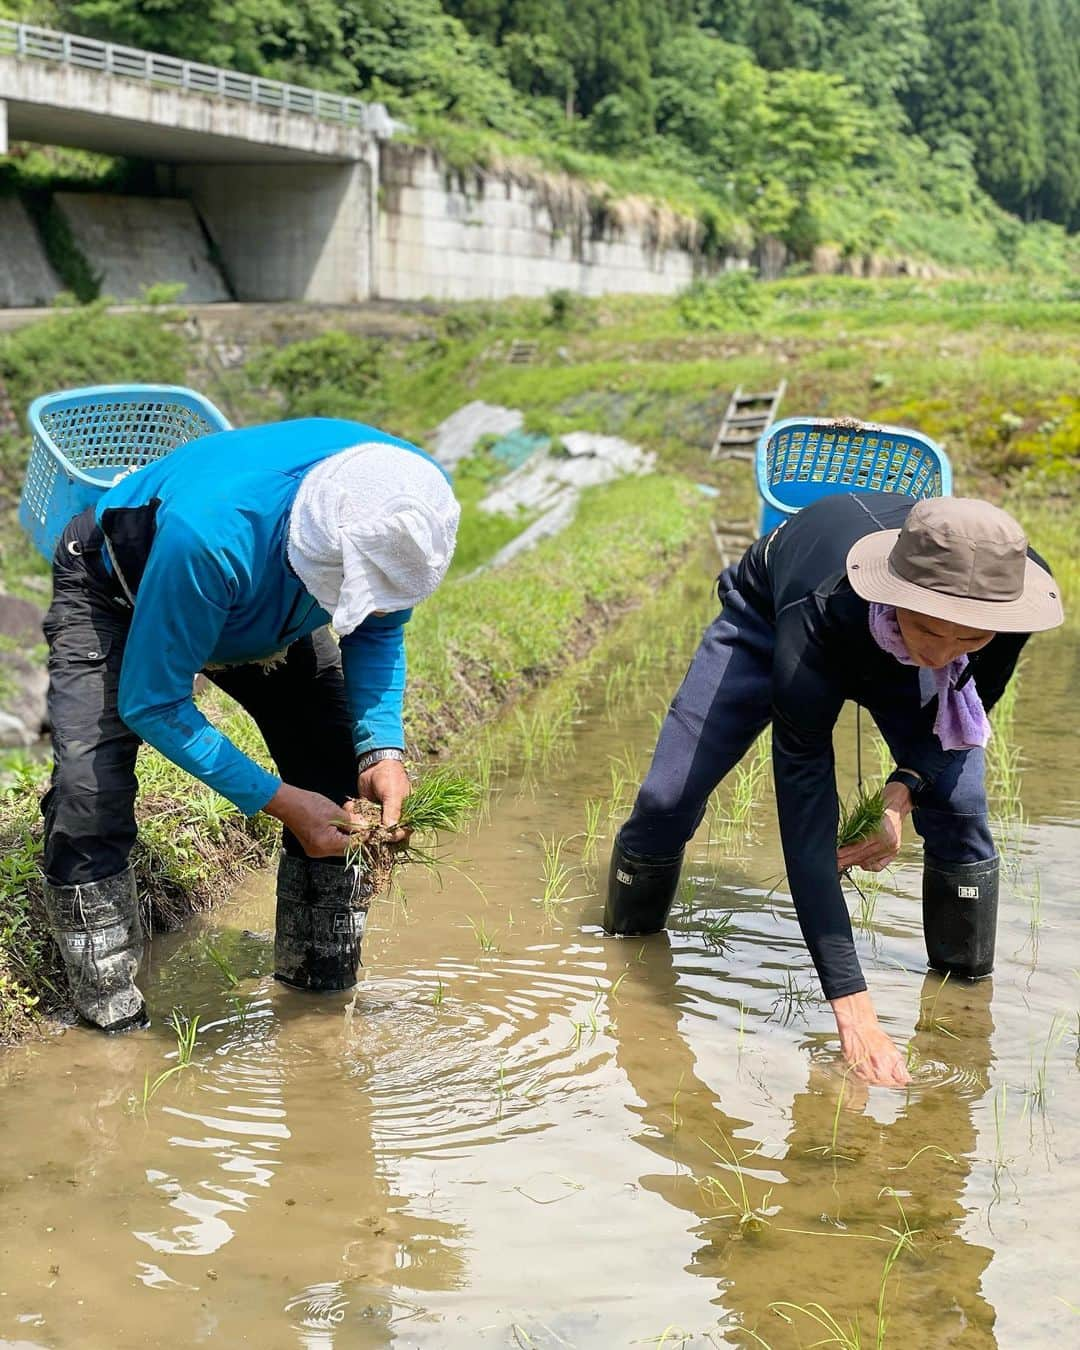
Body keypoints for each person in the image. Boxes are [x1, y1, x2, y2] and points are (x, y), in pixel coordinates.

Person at [604, 492, 1063, 1086]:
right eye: (930, 629)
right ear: (896, 594)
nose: (941, 654)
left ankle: (964, 1009)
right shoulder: (816, 613)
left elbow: (970, 701)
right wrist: (855, 1012)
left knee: (959, 805)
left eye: (969, 641)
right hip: (773, 621)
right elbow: (804, 810)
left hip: (892, 624)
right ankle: (625, 961)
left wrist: (901, 793)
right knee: (667, 799)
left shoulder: (1007, 602)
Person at [40, 418, 460, 1033]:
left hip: (266, 606)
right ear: (321, 549)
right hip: (118, 590)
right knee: (88, 793)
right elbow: (153, 703)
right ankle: (110, 1021)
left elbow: (377, 623)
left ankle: (319, 995)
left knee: (337, 769)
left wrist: (382, 749)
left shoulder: (405, 497)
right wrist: (279, 802)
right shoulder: (209, 538)